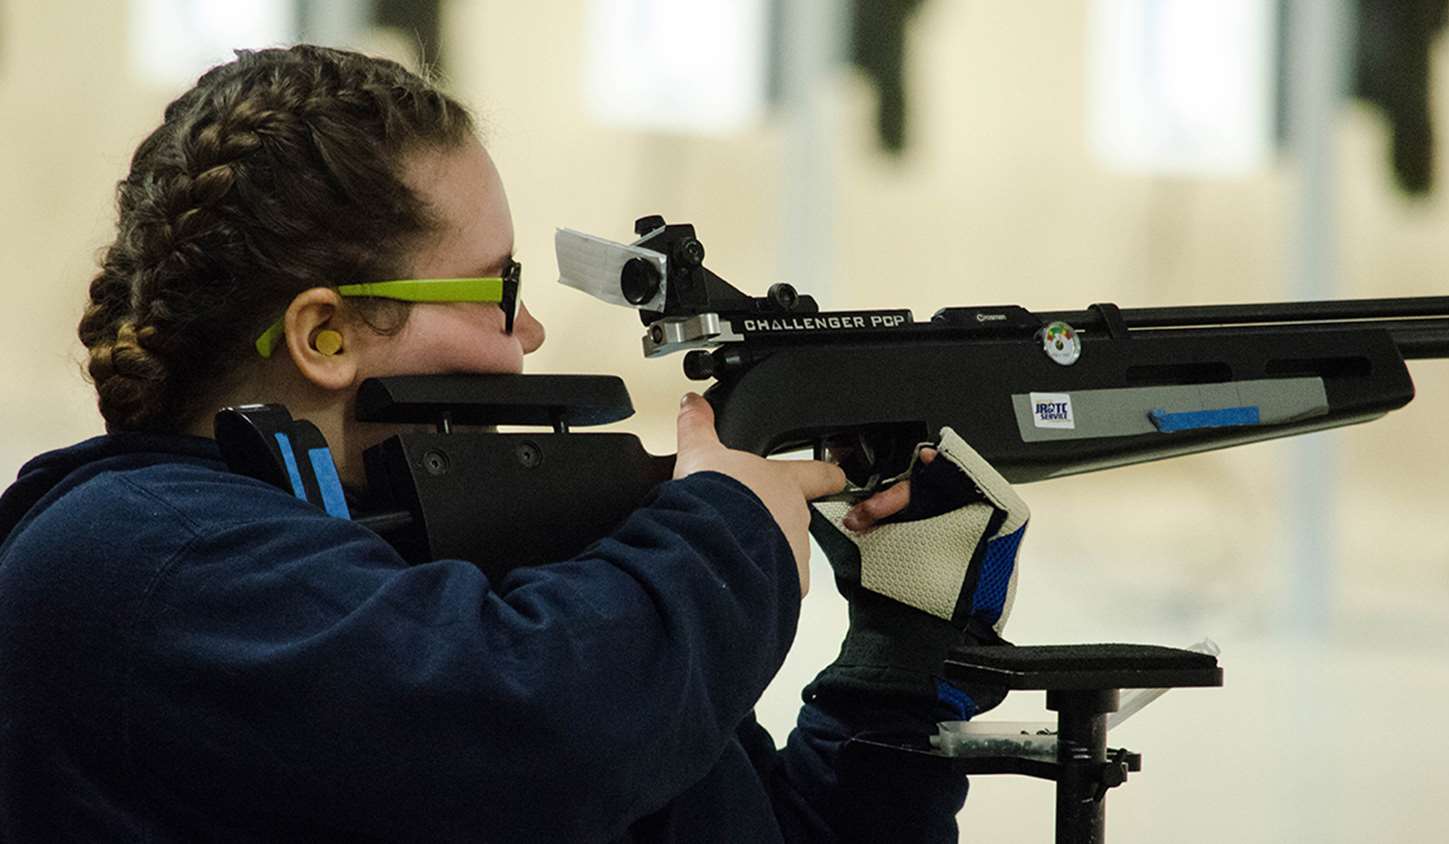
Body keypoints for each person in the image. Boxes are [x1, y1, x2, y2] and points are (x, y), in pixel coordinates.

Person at [0, 45, 1027, 842]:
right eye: (499, 290)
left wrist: (897, 660)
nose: (527, 334)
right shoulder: (132, 561)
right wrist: (728, 527)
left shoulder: (418, 565)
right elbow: (547, 733)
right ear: (325, 334)